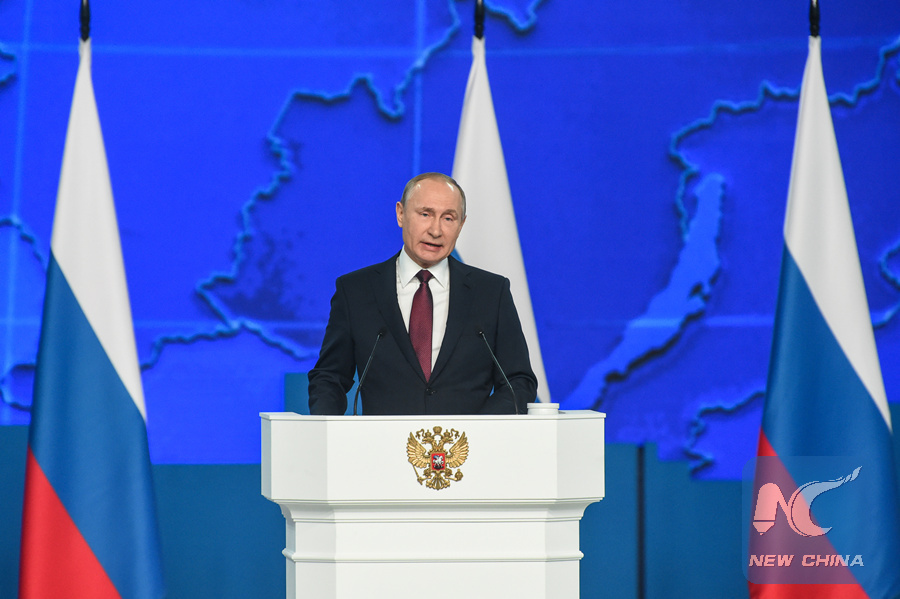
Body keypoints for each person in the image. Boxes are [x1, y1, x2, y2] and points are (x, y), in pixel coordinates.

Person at [308, 172, 537, 415]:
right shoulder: (355, 290)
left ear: (461, 225)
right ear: (401, 214)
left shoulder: (491, 292)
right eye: (425, 214)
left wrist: (478, 428)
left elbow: (518, 381)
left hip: (468, 440)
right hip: (381, 439)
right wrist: (327, 430)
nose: (436, 230)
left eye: (448, 218)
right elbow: (329, 377)